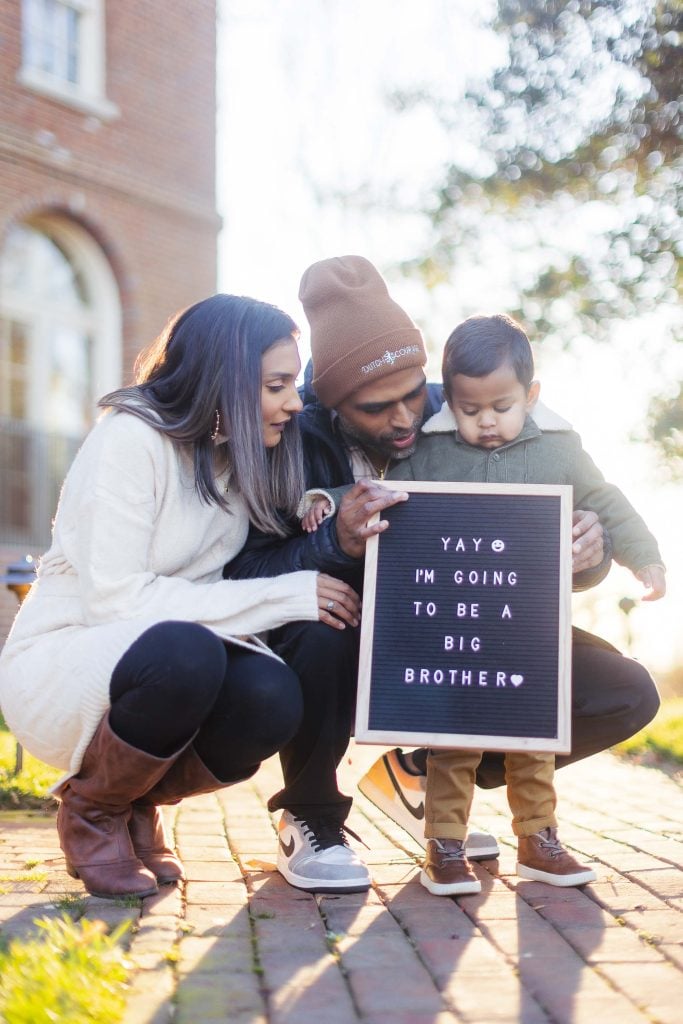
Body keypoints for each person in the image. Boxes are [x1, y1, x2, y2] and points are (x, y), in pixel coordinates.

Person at [226, 256, 659, 868]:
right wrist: (333, 544)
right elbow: (245, 569)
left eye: (412, 395)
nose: (404, 419)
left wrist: (590, 554)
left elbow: (548, 513)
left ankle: (421, 762)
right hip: (344, 632)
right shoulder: (288, 437)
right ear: (330, 403)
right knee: (318, 628)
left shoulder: (465, 407)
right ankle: (313, 814)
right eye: (376, 409)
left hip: (467, 629)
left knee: (625, 692)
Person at [0, 293, 369, 901]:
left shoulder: (232, 458)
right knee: (188, 652)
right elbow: (117, 601)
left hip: (161, 656)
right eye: (276, 384)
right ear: (224, 377)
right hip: (64, 662)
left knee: (271, 697)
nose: (293, 402)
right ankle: (92, 810)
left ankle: (133, 799)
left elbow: (237, 570)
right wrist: (287, 596)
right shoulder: (129, 439)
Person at [356, 312, 665, 895]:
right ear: (450, 402)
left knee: (535, 744)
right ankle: (444, 845)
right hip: (454, 632)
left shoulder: (560, 448)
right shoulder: (429, 452)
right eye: (470, 411)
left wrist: (642, 556)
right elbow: (386, 497)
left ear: (532, 394)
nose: (487, 422)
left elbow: (607, 500)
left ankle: (537, 839)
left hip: (528, 633)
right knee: (452, 746)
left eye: (501, 407)